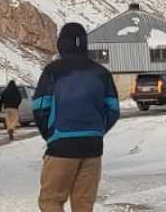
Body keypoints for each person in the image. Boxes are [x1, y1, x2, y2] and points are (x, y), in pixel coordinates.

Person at [32, 23, 120, 212]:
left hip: (62, 144)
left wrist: (50, 134)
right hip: (93, 145)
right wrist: (97, 130)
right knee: (83, 204)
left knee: (51, 201)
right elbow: (113, 109)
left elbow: (39, 106)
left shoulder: (53, 71)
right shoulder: (101, 73)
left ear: (61, 44)